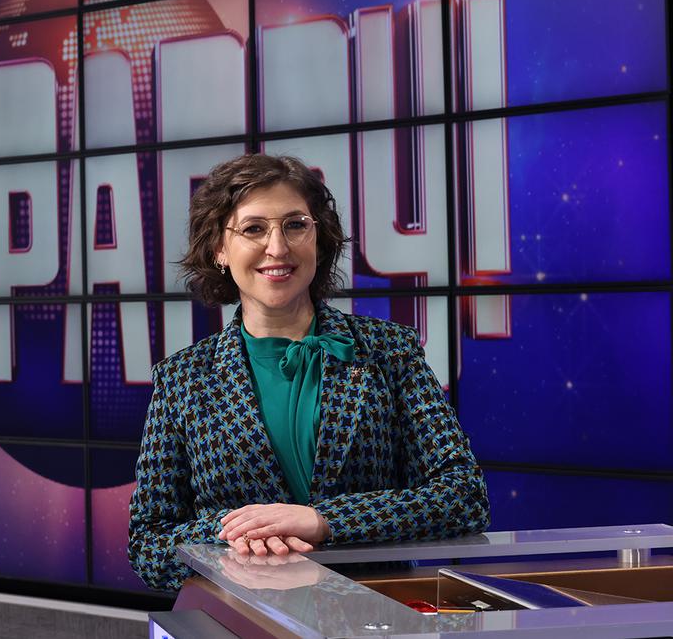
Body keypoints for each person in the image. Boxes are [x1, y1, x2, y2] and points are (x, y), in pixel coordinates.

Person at [127, 154, 489, 591]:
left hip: (373, 612)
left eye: (295, 225)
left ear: (319, 238)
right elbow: (148, 544)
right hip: (241, 616)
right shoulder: (182, 378)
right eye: (253, 229)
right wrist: (241, 532)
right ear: (219, 249)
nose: (278, 248)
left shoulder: (389, 351)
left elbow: (464, 496)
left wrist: (323, 520)